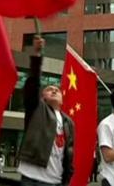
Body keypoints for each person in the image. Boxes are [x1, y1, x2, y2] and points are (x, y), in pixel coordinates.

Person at [18, 36, 75, 186]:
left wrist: (67, 178)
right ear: (42, 97)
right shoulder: (37, 109)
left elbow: (68, 153)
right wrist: (37, 56)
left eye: (57, 90)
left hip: (56, 181)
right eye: (49, 89)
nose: (55, 90)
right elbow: (33, 84)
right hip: (32, 179)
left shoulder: (68, 122)